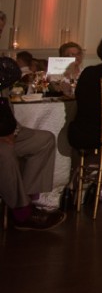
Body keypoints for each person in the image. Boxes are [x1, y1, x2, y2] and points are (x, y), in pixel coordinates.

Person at [1, 56, 66, 230]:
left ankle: (27, 198)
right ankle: (22, 212)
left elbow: (5, 109)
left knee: (43, 139)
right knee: (5, 152)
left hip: (5, 129)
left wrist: (10, 131)